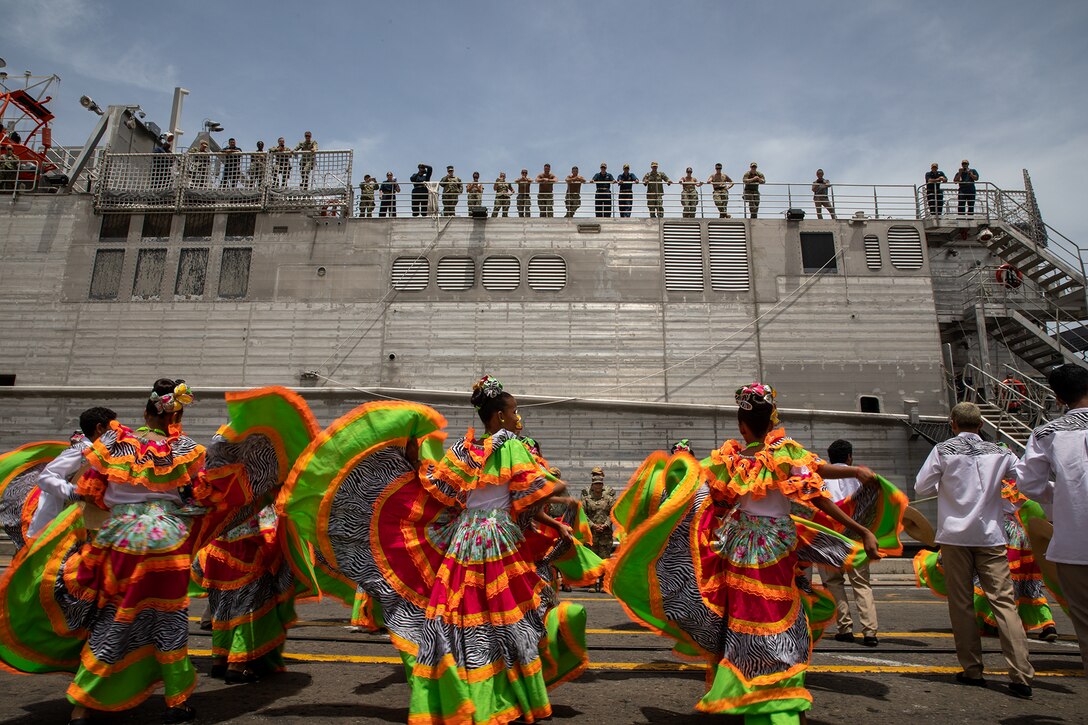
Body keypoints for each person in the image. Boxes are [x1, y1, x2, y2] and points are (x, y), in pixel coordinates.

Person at [278, 375, 585, 723]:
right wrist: (559, 488)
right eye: (513, 411)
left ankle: (465, 688)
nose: (517, 417)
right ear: (498, 416)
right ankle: (508, 692)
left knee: (463, 615)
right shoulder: (512, 447)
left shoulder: (463, 449)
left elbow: (436, 484)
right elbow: (541, 487)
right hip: (498, 537)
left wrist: (412, 458)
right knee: (509, 616)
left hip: (465, 539)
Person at [609, 383, 882, 723]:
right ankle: (770, 686)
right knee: (776, 614)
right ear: (773, 421)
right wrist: (858, 500)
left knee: (740, 615)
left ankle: (743, 680)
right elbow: (818, 484)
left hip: (737, 546)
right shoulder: (784, 452)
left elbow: (705, 492)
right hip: (774, 548)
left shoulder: (731, 460)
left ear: (742, 426)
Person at [914, 402, 1034, 699]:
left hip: (955, 536)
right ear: (981, 425)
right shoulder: (1002, 452)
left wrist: (950, 487)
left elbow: (922, 487)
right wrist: (1007, 506)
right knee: (1004, 603)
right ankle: (1021, 674)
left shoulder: (943, 450)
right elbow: (1027, 482)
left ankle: (973, 669)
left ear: (952, 423)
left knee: (962, 603)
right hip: (991, 535)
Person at [1015, 364, 1088, 672]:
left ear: (1058, 399)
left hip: (1075, 541)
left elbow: (1029, 485)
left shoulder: (1047, 433)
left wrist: (1062, 492)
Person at [819, 439, 879, 646]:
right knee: (861, 584)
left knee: (834, 582)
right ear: (849, 457)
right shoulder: (860, 478)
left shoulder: (821, 478)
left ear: (830, 457)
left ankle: (844, 627)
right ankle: (870, 631)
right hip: (855, 536)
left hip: (829, 536)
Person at [26, 408, 116, 539]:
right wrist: (76, 492)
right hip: (57, 526)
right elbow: (46, 477)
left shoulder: (102, 451)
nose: (116, 433)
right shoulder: (81, 450)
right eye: (112, 428)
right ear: (100, 429)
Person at [580, 466, 616, 592]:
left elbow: (613, 512)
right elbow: (582, 513)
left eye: (600, 484)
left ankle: (602, 585)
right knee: (592, 559)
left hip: (605, 534)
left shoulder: (609, 498)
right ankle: (592, 584)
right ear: (592, 485)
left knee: (604, 559)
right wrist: (592, 525)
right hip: (592, 533)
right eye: (595, 484)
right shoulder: (587, 498)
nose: (598, 486)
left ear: (602, 485)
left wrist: (606, 524)